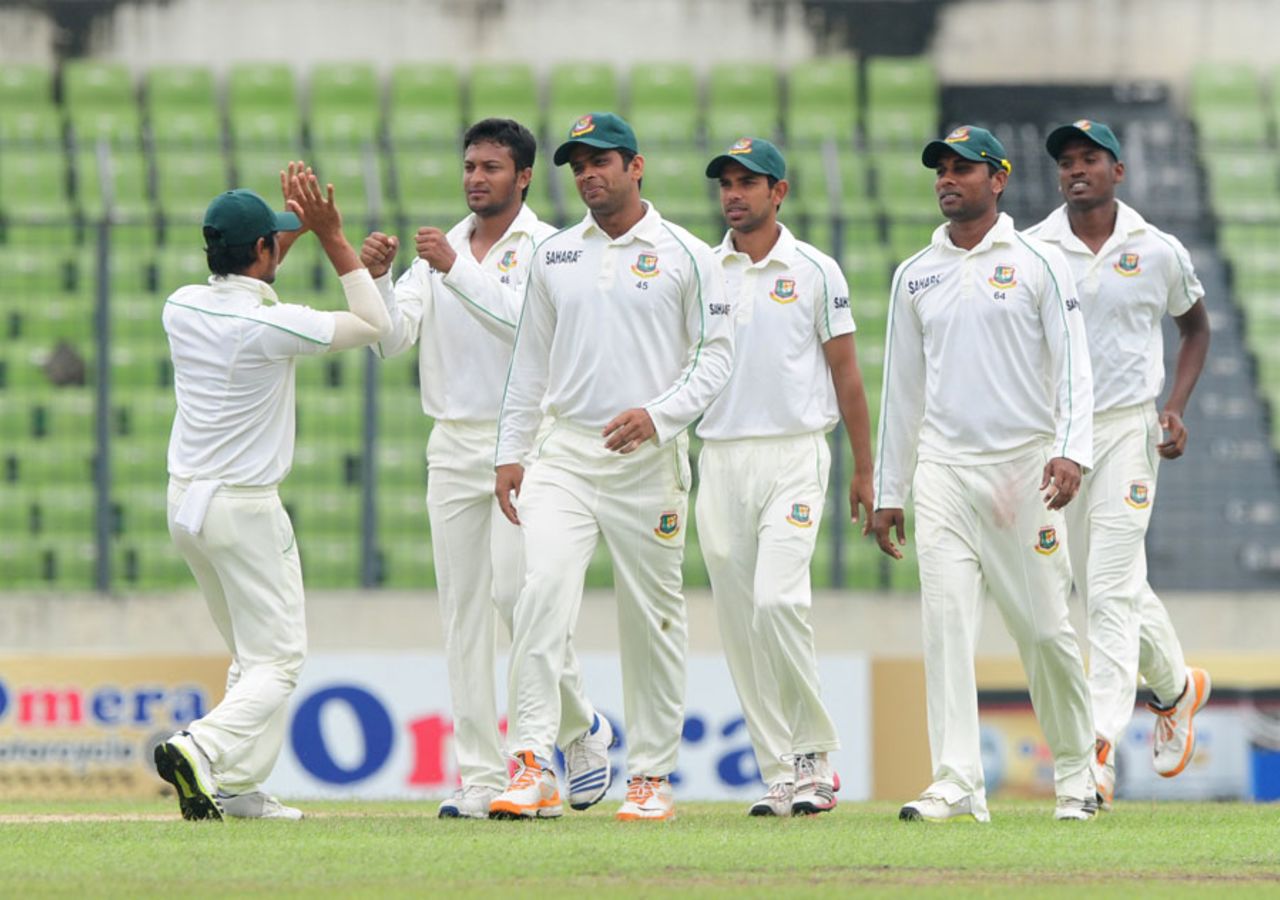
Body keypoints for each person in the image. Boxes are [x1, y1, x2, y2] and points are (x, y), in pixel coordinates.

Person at [359, 118, 613, 820]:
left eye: (492, 167)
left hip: (523, 443)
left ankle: (577, 727)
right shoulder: (443, 247)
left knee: (515, 598)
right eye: (470, 165)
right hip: (451, 442)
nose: (476, 177)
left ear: (524, 176)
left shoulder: (548, 251)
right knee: (463, 617)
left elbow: (527, 329)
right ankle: (478, 777)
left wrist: (454, 269)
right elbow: (392, 341)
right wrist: (377, 279)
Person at [490, 112, 734, 822]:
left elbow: (716, 357)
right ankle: (533, 762)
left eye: (602, 160)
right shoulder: (555, 255)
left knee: (652, 617)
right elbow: (529, 362)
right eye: (578, 164)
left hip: (648, 462)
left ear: (636, 166)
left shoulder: (689, 254)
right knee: (540, 595)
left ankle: (651, 776)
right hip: (563, 453)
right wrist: (511, 450)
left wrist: (659, 416)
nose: (589, 174)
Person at [872, 126, 1099, 822]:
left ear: (997, 180)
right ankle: (957, 781)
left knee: (1044, 629)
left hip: (1023, 471)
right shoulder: (916, 273)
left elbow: (1073, 365)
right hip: (943, 472)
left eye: (963, 169)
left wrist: (1071, 450)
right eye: (941, 168)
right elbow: (901, 391)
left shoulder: (1037, 261)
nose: (948, 178)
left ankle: (1076, 774)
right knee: (943, 623)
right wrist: (889, 489)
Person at [155, 168, 391, 821]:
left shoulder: (179, 305)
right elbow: (372, 323)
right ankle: (199, 748)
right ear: (261, 252)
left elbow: (244, 283)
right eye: (275, 244)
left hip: (186, 506)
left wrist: (278, 241)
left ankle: (235, 786)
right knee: (280, 661)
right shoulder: (273, 325)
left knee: (252, 657)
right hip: (243, 509)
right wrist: (333, 237)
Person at [1025, 119, 1212, 810]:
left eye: (1091, 160)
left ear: (1117, 172)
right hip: (1058, 437)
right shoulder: (1033, 247)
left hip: (1129, 429)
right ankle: (1175, 688)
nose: (1077, 170)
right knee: (1108, 587)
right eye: (1067, 162)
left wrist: (1176, 406)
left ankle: (1097, 751)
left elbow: (1194, 326)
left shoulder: (1156, 250)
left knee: (1108, 589)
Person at [696, 137, 874, 817]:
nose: (734, 194)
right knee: (740, 622)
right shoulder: (705, 270)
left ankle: (815, 757)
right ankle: (777, 767)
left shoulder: (816, 269)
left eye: (749, 182)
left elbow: (847, 373)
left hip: (796, 453)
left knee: (778, 601)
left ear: (780, 192)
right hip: (719, 458)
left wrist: (865, 469)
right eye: (726, 184)